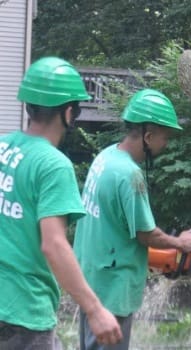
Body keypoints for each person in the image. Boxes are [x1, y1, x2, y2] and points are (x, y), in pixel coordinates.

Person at [0, 56, 123, 349]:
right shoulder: (53, 165)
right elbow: (53, 244)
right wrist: (94, 309)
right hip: (24, 312)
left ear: (28, 105)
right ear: (69, 112)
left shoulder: (2, 147)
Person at [74, 89, 191, 350]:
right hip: (112, 287)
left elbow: (114, 225)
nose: (166, 144)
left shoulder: (106, 157)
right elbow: (146, 234)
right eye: (165, 137)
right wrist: (181, 243)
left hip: (91, 277)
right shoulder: (130, 175)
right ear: (148, 136)